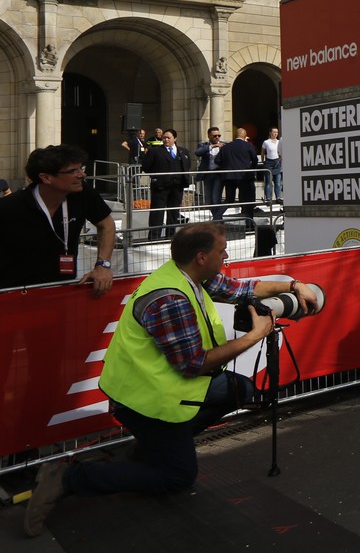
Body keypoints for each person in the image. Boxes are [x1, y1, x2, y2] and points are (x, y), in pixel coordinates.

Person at [22, 222, 322, 537]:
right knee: (178, 477)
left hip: (166, 390)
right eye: (222, 251)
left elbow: (240, 289)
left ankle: (154, 446)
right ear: (202, 257)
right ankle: (68, 478)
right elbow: (194, 365)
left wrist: (294, 285)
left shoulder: (188, 274)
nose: (227, 256)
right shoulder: (170, 298)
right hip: (144, 400)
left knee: (240, 390)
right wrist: (255, 336)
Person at [0, 145, 117, 294]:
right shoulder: (10, 207)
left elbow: (107, 224)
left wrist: (103, 265)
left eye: (81, 168)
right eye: (73, 171)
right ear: (46, 177)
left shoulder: (83, 193)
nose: (82, 175)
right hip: (14, 293)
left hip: (62, 290)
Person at [141, 129, 192, 240]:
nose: (166, 140)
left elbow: (187, 165)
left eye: (168, 138)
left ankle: (171, 235)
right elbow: (146, 166)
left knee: (174, 212)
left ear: (175, 138)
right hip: (161, 186)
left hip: (177, 186)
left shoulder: (183, 151)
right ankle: (154, 237)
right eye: (164, 137)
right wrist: (156, 176)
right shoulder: (155, 151)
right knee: (157, 212)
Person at [217, 128, 260, 228]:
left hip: (229, 177)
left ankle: (216, 217)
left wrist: (226, 166)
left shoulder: (226, 147)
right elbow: (255, 159)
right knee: (247, 201)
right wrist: (251, 169)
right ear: (245, 136)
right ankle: (249, 224)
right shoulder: (248, 145)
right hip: (245, 177)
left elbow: (217, 160)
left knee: (229, 199)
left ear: (234, 135)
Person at [194, 127, 226, 220]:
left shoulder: (224, 145)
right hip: (207, 174)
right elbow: (198, 152)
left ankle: (217, 218)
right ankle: (216, 217)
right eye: (214, 136)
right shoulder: (204, 145)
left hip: (219, 174)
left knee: (216, 197)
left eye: (219, 135)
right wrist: (212, 146)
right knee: (209, 199)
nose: (217, 137)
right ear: (209, 136)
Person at [261, 127, 283, 203]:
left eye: (277, 132)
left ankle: (278, 197)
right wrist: (263, 161)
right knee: (268, 182)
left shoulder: (279, 142)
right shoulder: (266, 142)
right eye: (274, 132)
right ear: (270, 133)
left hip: (277, 162)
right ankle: (268, 198)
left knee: (277, 182)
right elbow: (263, 152)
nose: (275, 134)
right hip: (269, 162)